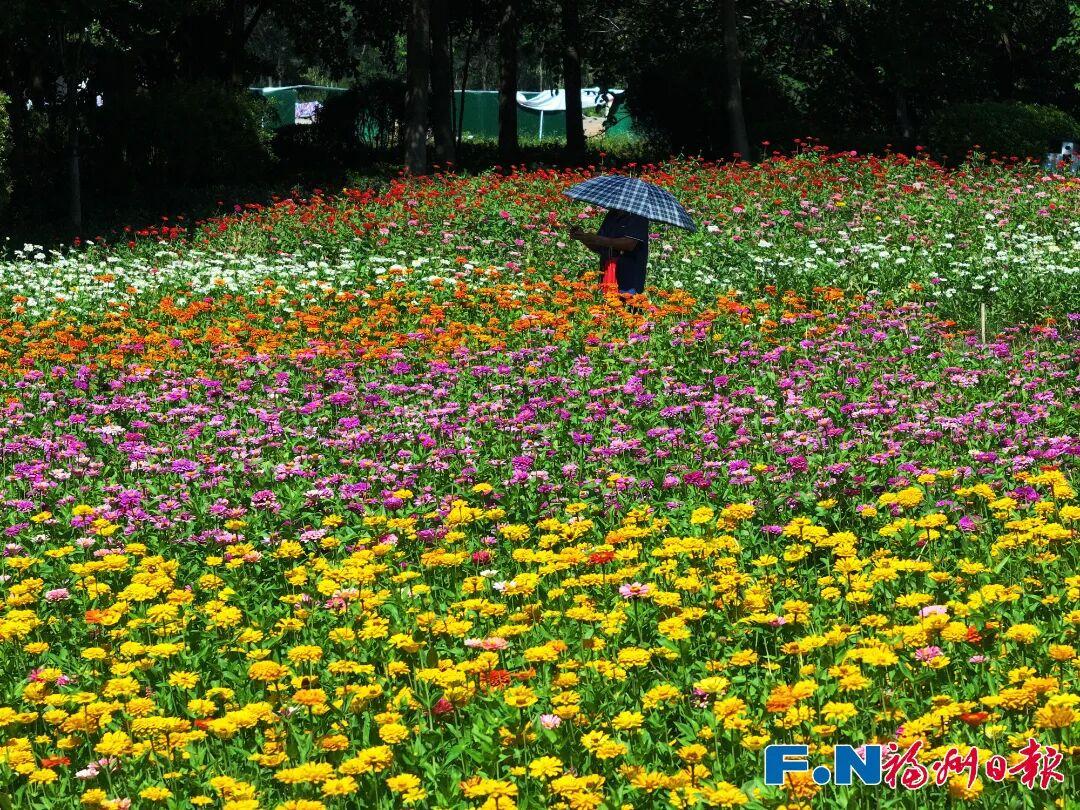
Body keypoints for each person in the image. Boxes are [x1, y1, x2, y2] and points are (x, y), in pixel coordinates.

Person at [569, 208, 650, 295]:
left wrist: (597, 239)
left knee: (627, 305)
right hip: (607, 271)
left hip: (629, 279)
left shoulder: (639, 215)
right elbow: (599, 247)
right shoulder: (612, 214)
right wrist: (583, 238)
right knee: (606, 305)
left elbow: (630, 244)